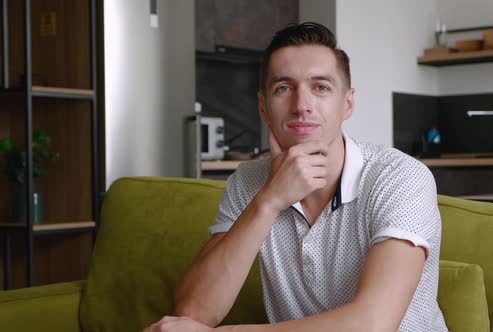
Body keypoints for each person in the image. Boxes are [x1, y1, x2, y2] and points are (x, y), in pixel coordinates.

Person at [145, 22, 448, 332]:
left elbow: (373, 324)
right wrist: (270, 200)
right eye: (284, 88)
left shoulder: (399, 177)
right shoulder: (248, 182)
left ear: (348, 103)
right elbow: (194, 310)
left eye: (321, 87)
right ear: (263, 106)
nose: (301, 106)